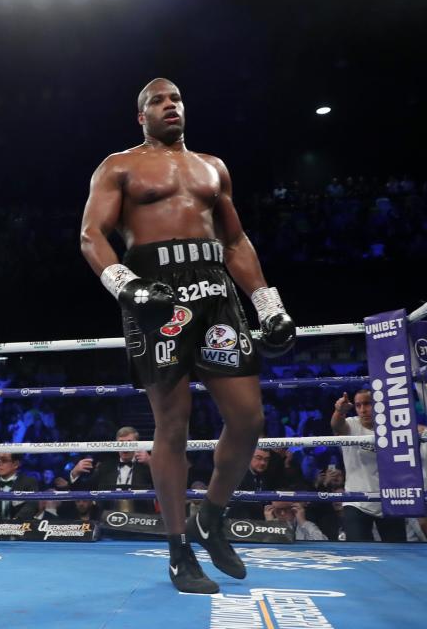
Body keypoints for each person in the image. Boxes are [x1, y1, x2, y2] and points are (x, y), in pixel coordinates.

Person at [79, 78, 296, 593]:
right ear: (142, 116)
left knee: (248, 419)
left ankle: (211, 516)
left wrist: (267, 304)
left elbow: (235, 239)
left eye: (175, 98)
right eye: (158, 100)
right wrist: (127, 288)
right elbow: (91, 236)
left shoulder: (211, 166)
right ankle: (178, 552)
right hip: (155, 294)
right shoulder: (120, 166)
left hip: (215, 290)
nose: (169, 105)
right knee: (171, 426)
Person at [330, 390, 407, 542]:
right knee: (359, 553)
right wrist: (339, 412)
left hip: (389, 498)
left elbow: (416, 430)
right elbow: (337, 425)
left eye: (367, 404)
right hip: (357, 501)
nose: (363, 409)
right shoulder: (351, 424)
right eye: (358, 405)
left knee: (398, 551)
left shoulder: (394, 427)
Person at [67, 426, 154, 514]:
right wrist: (75, 473)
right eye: (121, 442)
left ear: (137, 444)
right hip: (109, 519)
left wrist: (151, 463)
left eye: (129, 442)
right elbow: (85, 490)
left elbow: (164, 485)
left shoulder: (145, 466)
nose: (125, 446)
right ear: (116, 444)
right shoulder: (106, 466)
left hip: (141, 519)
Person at [0, 453, 39, 520]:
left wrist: (14, 523)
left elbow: (31, 507)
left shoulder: (29, 482)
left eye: (4, 460)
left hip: (20, 526)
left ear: (16, 464)